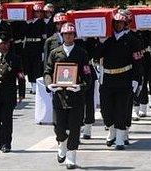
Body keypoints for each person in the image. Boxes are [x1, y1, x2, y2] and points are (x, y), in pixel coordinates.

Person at [44, 23, 92, 169]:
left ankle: (71, 156)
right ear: (62, 35)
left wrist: (81, 86)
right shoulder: (55, 53)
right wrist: (49, 84)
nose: (68, 36)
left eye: (71, 34)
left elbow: (87, 74)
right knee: (59, 126)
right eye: (66, 34)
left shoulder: (81, 53)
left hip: (75, 96)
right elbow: (48, 71)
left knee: (74, 127)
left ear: (74, 36)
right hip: (59, 95)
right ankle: (62, 143)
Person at [99, 12, 143, 150]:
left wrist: (136, 79)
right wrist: (101, 42)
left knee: (121, 109)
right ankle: (112, 131)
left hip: (124, 79)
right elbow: (96, 55)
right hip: (107, 79)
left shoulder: (132, 40)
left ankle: (119, 138)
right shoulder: (107, 39)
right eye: (116, 23)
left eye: (121, 23)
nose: (118, 25)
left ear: (125, 25)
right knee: (105, 110)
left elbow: (138, 62)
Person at [23, 3, 46, 94]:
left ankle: (36, 86)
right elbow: (24, 32)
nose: (38, 13)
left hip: (37, 46)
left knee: (36, 66)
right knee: (29, 66)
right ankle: (32, 85)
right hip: (29, 46)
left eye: (39, 12)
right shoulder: (28, 22)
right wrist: (28, 24)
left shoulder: (42, 23)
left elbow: (44, 38)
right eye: (36, 11)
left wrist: (43, 51)